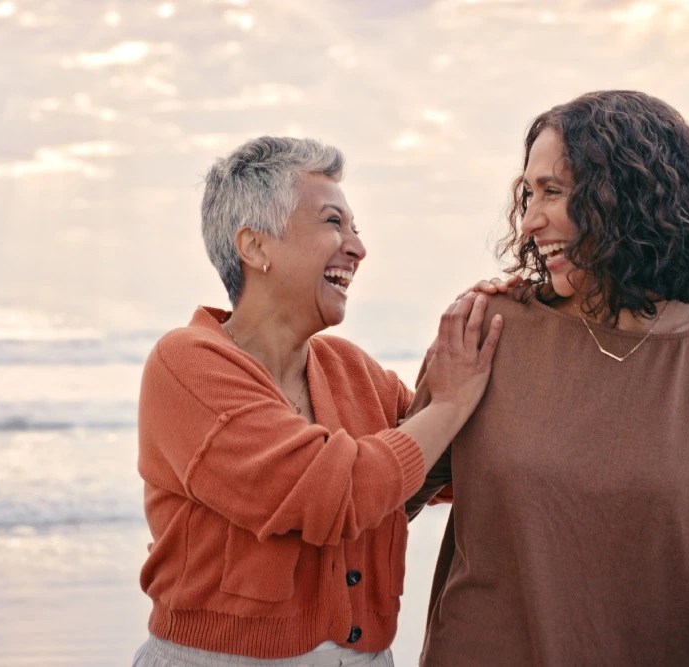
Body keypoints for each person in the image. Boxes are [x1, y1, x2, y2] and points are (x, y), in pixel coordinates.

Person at [408, 91, 689, 666]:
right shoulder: (491, 327)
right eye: (528, 193)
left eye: (554, 193)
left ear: (629, 199)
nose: (531, 220)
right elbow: (393, 494)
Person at [134, 136, 502, 666]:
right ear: (255, 246)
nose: (357, 247)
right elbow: (332, 493)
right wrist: (447, 404)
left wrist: (496, 326)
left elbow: (446, 462)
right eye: (334, 223)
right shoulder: (187, 364)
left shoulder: (349, 368)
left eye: (355, 228)